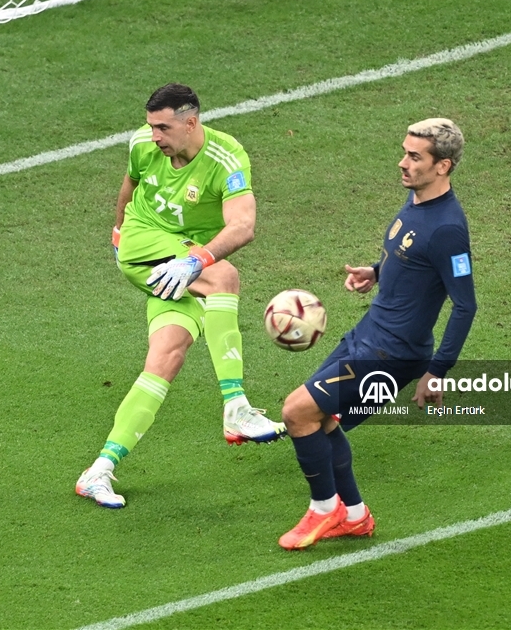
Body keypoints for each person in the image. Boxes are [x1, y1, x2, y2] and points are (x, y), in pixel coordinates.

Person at [76, 83, 286, 508]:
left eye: (163, 128)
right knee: (223, 276)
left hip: (182, 262)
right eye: (151, 126)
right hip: (144, 243)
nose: (154, 136)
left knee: (166, 358)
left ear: (191, 123)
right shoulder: (142, 144)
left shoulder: (225, 158)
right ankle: (236, 406)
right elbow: (129, 186)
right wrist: (118, 232)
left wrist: (193, 261)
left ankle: (99, 470)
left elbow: (243, 226)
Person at [277, 118, 477, 549]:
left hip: (392, 353)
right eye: (404, 152)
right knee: (322, 419)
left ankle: (324, 509)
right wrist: (377, 271)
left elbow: (465, 304)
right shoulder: (416, 199)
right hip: (370, 333)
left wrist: (437, 371)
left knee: (297, 412)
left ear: (442, 166)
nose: (402, 163)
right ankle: (353, 516)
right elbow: (413, 260)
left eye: (414, 156)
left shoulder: (448, 229)